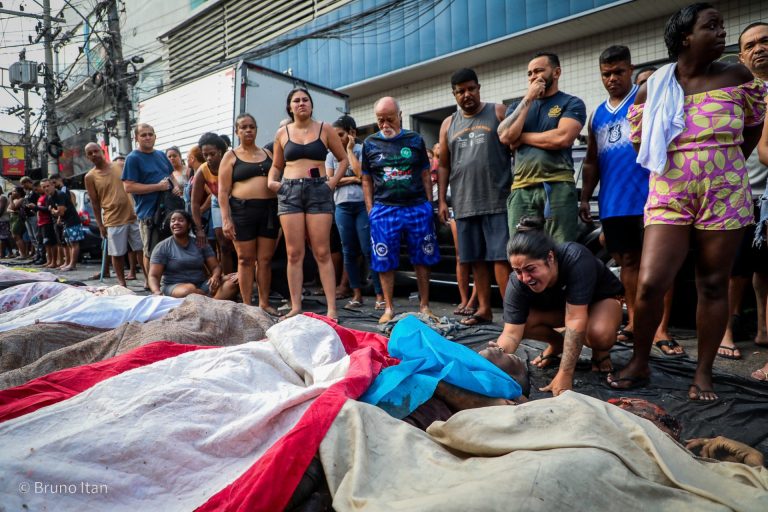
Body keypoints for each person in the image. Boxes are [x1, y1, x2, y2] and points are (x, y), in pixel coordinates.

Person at [608, 4, 766, 401]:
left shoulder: (737, 76)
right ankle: (640, 360)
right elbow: (641, 144)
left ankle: (703, 373)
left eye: (721, 25)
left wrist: (721, 162)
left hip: (725, 192)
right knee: (649, 284)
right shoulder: (654, 86)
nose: (721, 32)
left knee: (713, 284)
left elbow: (752, 129)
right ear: (684, 38)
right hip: (670, 193)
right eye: (710, 26)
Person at [580, 47, 682, 355]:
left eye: (618, 72)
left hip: (652, 197)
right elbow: (591, 161)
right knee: (627, 264)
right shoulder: (597, 114)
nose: (612, 79)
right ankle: (637, 324)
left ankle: (661, 329)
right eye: (606, 74)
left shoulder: (645, 99)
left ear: (630, 70)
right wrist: (585, 197)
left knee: (660, 267)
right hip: (614, 203)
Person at [495, 217, 623, 395]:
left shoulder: (576, 258)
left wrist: (565, 373)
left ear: (550, 257)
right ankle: (557, 344)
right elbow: (511, 332)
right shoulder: (517, 283)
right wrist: (494, 356)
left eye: (531, 269)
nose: (525, 278)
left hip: (600, 301)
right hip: (564, 307)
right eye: (518, 271)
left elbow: (576, 318)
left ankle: (599, 351)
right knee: (523, 321)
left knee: (598, 336)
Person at [438, 68, 512, 326]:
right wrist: (442, 200)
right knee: (476, 260)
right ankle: (484, 310)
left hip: (497, 200)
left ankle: (511, 315)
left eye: (471, 89)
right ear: (454, 94)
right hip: (464, 202)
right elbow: (444, 165)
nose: (466, 94)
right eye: (461, 91)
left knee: (501, 259)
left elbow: (515, 147)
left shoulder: (498, 112)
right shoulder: (448, 124)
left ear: (478, 88)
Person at [267, 87, 349, 321]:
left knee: (322, 251)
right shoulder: (282, 133)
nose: (301, 103)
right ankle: (295, 306)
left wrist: (331, 184)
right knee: (294, 253)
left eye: (305, 100)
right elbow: (276, 164)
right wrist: (273, 182)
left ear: (311, 105)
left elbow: (343, 159)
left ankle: (332, 308)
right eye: (296, 100)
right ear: (290, 107)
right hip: (289, 191)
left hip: (318, 190)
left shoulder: (325, 128)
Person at [361, 96, 440, 324]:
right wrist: (370, 209)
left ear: (400, 115)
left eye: (390, 119)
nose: (385, 124)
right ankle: (388, 307)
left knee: (423, 258)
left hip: (416, 207)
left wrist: (428, 205)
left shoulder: (414, 140)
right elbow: (366, 179)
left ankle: (424, 305)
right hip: (385, 209)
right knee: (384, 259)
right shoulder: (369, 144)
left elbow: (426, 175)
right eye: (380, 120)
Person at [498, 52, 587, 243]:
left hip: (557, 186)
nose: (533, 76)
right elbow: (505, 135)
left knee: (560, 250)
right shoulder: (518, 106)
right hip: (521, 189)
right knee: (521, 250)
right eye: (529, 73)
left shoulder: (571, 102)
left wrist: (522, 137)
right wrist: (528, 99)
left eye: (538, 70)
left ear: (556, 72)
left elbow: (562, 138)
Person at [720, 22, 768, 364]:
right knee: (731, 269)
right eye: (751, 45)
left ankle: (763, 329)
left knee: (764, 270)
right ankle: (724, 332)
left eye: (765, 41)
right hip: (738, 193)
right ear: (741, 56)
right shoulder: (735, 92)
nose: (759, 48)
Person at [219, 113, 280, 313]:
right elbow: (223, 191)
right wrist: (226, 219)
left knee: (265, 260)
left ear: (256, 129)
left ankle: (263, 303)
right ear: (237, 131)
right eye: (243, 127)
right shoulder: (230, 156)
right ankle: (247, 305)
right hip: (242, 211)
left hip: (268, 211)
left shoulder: (268, 154)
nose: (248, 130)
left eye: (251, 127)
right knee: (245, 259)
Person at [326, 114, 384, 310]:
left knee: (368, 249)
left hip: (362, 206)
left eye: (340, 135)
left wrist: (349, 151)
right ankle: (356, 294)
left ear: (352, 133)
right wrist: (352, 179)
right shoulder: (330, 156)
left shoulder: (362, 150)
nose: (336, 139)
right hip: (342, 207)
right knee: (348, 251)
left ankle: (379, 294)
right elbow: (331, 182)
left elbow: (361, 174)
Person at [122, 123, 183, 281]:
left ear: (155, 136)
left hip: (168, 210)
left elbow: (170, 175)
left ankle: (167, 281)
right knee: (151, 250)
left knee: (170, 248)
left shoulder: (161, 155)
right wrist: (157, 187)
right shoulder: (133, 158)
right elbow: (128, 186)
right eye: (143, 135)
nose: (148, 137)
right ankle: (151, 284)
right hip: (149, 213)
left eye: (150, 134)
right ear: (136, 138)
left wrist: (175, 187)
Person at [84, 142, 146, 288]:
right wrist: (100, 225)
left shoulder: (119, 166)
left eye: (96, 151)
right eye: (90, 153)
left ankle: (148, 279)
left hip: (133, 215)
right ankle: (121, 283)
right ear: (87, 157)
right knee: (117, 254)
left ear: (102, 151)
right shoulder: (90, 177)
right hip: (113, 219)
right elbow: (94, 203)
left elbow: (134, 184)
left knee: (141, 250)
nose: (94, 154)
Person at [148, 210, 238, 300]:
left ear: (189, 225)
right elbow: (153, 275)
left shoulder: (200, 243)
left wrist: (215, 277)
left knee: (234, 280)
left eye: (180, 220)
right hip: (175, 287)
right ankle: (211, 301)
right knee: (189, 290)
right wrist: (156, 291)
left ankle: (209, 304)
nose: (176, 223)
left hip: (202, 284)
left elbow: (215, 266)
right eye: (173, 220)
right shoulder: (162, 246)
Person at [49, 177, 83, 271]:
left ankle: (72, 264)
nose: (46, 189)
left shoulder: (61, 194)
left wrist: (54, 211)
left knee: (74, 243)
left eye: (48, 186)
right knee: (68, 243)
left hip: (73, 220)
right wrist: (57, 213)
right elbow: (58, 211)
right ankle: (69, 263)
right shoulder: (52, 196)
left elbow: (61, 211)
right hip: (66, 221)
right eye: (44, 187)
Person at [8, 187, 28, 258]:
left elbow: (13, 207)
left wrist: (10, 198)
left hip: (18, 219)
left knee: (17, 236)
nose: (12, 193)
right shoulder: (14, 200)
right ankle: (21, 253)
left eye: (13, 191)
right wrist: (11, 209)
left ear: (18, 193)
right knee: (15, 237)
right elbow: (8, 209)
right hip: (13, 218)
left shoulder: (21, 199)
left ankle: (23, 254)